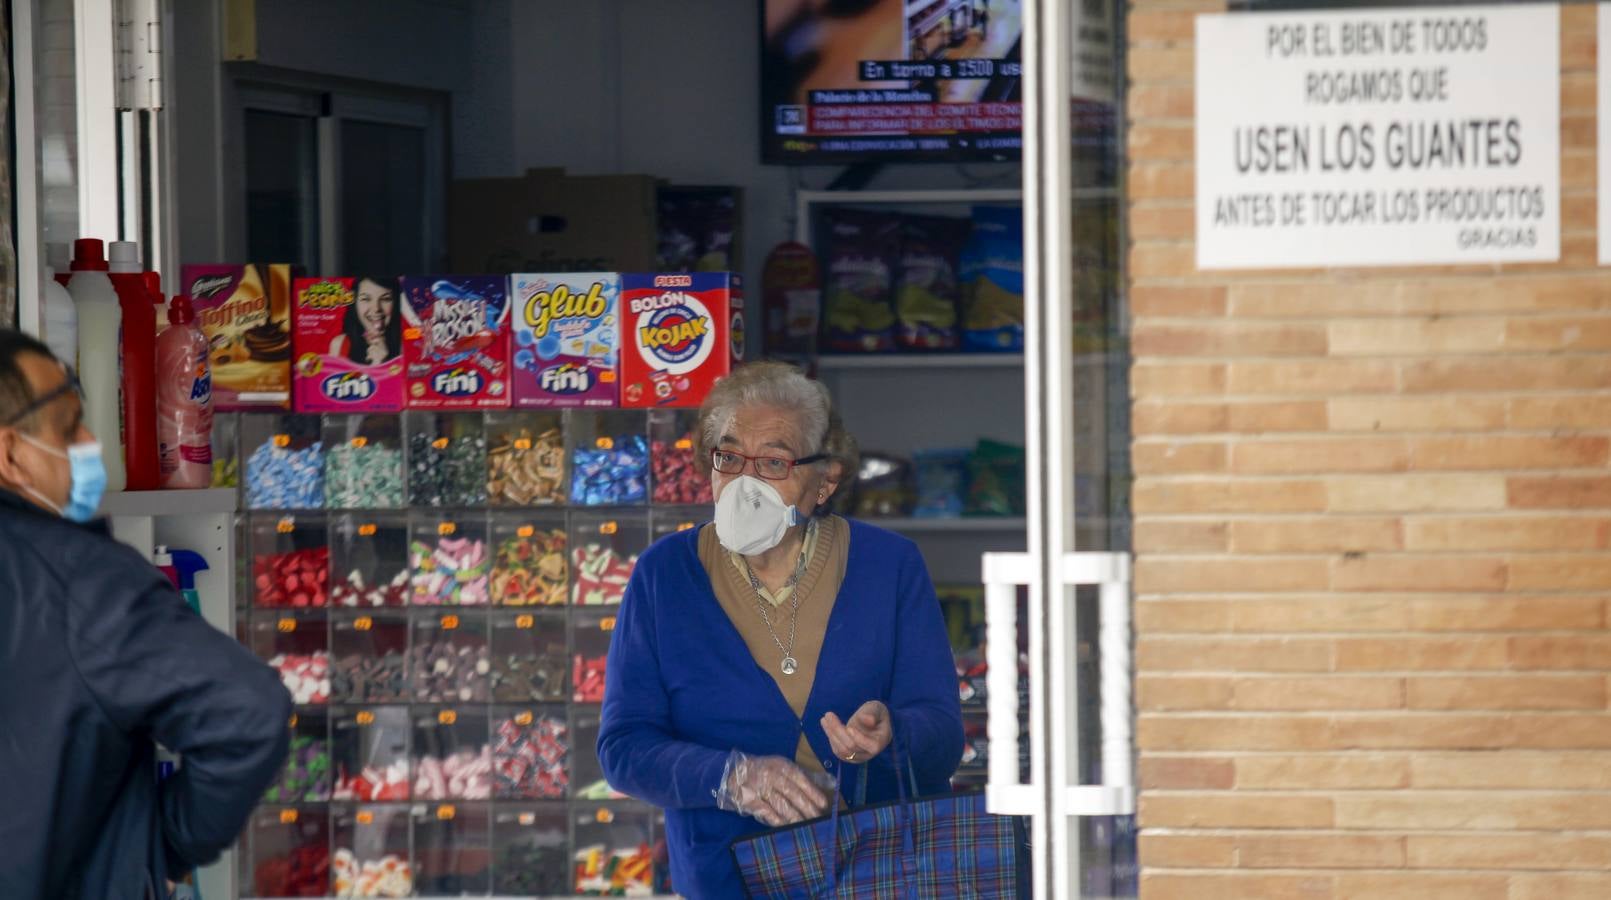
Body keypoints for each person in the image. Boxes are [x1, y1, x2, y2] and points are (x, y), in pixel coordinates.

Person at [598, 361, 964, 898]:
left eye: (773, 461)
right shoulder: (665, 574)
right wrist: (729, 778)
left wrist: (892, 733)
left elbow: (944, 734)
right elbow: (624, 748)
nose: (746, 483)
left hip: (878, 875)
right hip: (727, 878)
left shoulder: (889, 566)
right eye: (729, 457)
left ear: (825, 480)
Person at [0, 329, 292, 898]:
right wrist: (168, 845)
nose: (90, 441)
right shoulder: (80, 583)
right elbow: (249, 713)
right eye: (68, 428)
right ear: (11, 454)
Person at [335, 275, 403, 366]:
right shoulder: (340, 344)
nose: (376, 308)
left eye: (385, 299)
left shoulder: (407, 346)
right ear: (354, 303)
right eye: (366, 299)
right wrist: (376, 363)